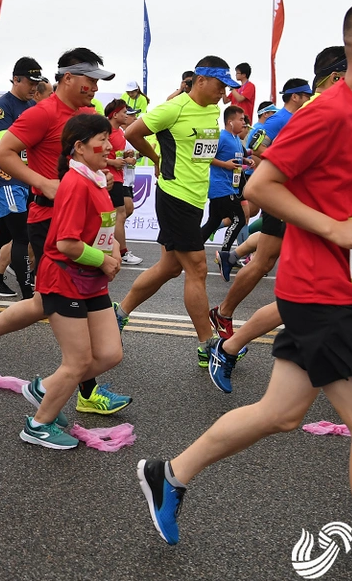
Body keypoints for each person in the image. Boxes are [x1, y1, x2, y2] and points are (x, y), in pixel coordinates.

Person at [138, 1, 352, 581]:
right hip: (318, 292)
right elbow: (261, 186)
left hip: (342, 288)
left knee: (281, 412)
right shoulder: (329, 112)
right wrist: (334, 230)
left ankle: (170, 473)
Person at [0, 48, 132, 414]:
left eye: (98, 81)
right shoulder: (43, 113)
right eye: (90, 80)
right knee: (68, 299)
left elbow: (90, 157)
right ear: (67, 77)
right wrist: (44, 183)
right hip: (50, 215)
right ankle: (82, 392)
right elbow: (2, 153)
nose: (95, 87)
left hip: (83, 215)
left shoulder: (89, 115)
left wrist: (109, 166)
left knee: (43, 303)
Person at [114, 57, 235, 361]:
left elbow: (201, 153)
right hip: (174, 195)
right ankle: (208, 345)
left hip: (196, 198)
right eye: (220, 86)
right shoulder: (174, 108)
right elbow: (132, 134)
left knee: (170, 267)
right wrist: (156, 159)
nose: (223, 93)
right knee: (197, 268)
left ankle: (119, 313)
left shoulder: (213, 111)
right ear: (201, 80)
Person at [20, 114, 123, 450]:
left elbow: (101, 230)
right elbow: (66, 243)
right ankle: (38, 424)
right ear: (78, 147)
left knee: (109, 354)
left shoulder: (94, 179)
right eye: (101, 139)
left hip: (93, 280)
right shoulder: (75, 184)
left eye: (109, 139)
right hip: (64, 278)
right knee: (77, 362)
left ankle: (44, 388)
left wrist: (115, 252)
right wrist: (105, 260)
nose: (108, 146)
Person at [209, 78, 312, 331]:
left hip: (295, 194)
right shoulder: (278, 119)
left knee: (267, 256)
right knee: (263, 260)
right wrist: (281, 163)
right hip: (279, 193)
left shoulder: (299, 117)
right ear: (295, 96)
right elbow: (256, 144)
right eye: (306, 95)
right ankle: (224, 310)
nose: (308, 99)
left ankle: (232, 258)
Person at [0, 57, 44, 299]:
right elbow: (7, 140)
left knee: (4, 234)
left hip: (24, 178)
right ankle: (29, 293)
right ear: (16, 79)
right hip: (6, 177)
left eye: (37, 83)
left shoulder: (32, 105)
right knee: (22, 235)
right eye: (30, 82)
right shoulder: (3, 106)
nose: (34, 87)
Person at [198, 106, 248, 256]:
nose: (244, 123)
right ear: (230, 122)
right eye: (241, 119)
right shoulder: (221, 137)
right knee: (239, 219)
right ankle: (225, 254)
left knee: (213, 222)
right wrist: (225, 165)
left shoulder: (237, 140)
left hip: (231, 188)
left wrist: (245, 160)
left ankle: (191, 248)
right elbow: (205, 157)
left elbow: (234, 157)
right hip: (221, 188)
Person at [104, 99, 142, 266]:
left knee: (118, 214)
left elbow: (116, 154)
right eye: (125, 112)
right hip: (108, 178)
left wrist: (126, 156)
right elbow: (94, 155)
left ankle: (110, 248)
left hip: (119, 177)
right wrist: (113, 163)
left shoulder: (120, 132)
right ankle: (122, 252)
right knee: (119, 213)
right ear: (115, 114)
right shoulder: (105, 132)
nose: (127, 115)